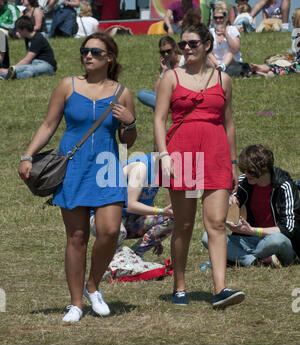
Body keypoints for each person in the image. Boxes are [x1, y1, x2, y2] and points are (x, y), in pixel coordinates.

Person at [18, 32, 137, 322]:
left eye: (96, 52)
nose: (88, 56)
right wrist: (27, 155)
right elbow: (49, 124)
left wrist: (130, 122)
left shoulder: (122, 92)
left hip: (107, 167)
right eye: (85, 51)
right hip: (73, 167)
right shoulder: (67, 86)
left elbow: (127, 141)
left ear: (109, 57)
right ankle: (75, 303)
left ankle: (93, 287)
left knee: (109, 232)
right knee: (77, 237)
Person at [154, 21, 245, 308]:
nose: (187, 48)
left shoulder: (223, 80)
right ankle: (180, 286)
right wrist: (164, 155)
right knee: (182, 224)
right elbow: (159, 119)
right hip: (180, 154)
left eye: (193, 43)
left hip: (216, 155)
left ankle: (220, 289)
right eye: (183, 44)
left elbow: (229, 123)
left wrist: (232, 162)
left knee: (216, 223)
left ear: (207, 45)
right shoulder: (171, 78)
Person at [202, 144, 300, 267]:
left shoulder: (284, 186)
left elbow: (289, 229)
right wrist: (229, 202)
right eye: (244, 170)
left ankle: (234, 257)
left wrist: (253, 231)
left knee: (277, 240)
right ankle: (255, 261)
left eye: (250, 171)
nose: (246, 174)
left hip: (272, 240)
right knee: (207, 237)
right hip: (248, 240)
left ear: (264, 169)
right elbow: (228, 209)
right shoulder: (244, 181)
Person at [90, 153, 174, 258]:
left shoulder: (160, 170)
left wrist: (156, 235)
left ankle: (134, 256)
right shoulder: (141, 167)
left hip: (127, 217)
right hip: (102, 217)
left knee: (170, 219)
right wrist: (162, 211)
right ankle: (110, 262)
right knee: (118, 231)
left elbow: (147, 202)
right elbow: (130, 204)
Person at [0, 16, 57, 80]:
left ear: (24, 30)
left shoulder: (37, 39)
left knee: (29, 70)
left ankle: (8, 75)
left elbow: (27, 60)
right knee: (26, 69)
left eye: (18, 30)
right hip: (34, 63)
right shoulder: (27, 38)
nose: (17, 32)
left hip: (47, 65)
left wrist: (13, 68)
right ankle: (6, 75)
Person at [137, 36, 184, 110]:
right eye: (162, 52)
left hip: (183, 98)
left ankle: (165, 108)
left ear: (175, 49)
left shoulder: (184, 61)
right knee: (141, 94)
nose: (166, 54)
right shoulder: (165, 65)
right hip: (168, 98)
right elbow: (156, 91)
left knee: (157, 103)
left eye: (168, 51)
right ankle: (167, 108)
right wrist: (163, 71)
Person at [250, 8, 300, 77]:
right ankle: (262, 70)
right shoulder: (295, 34)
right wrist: (290, 55)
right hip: (294, 62)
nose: (291, 19)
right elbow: (295, 53)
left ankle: (264, 72)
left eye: (293, 17)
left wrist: (291, 58)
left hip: (297, 64)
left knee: (285, 67)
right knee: (278, 64)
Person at [208, 1, 242, 73]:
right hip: (216, 63)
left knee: (229, 55)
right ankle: (219, 69)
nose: (218, 20)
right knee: (206, 56)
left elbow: (235, 49)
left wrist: (226, 34)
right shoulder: (210, 32)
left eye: (221, 17)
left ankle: (221, 68)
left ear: (226, 18)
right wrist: (218, 64)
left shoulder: (233, 30)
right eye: (216, 18)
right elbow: (209, 52)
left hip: (233, 62)